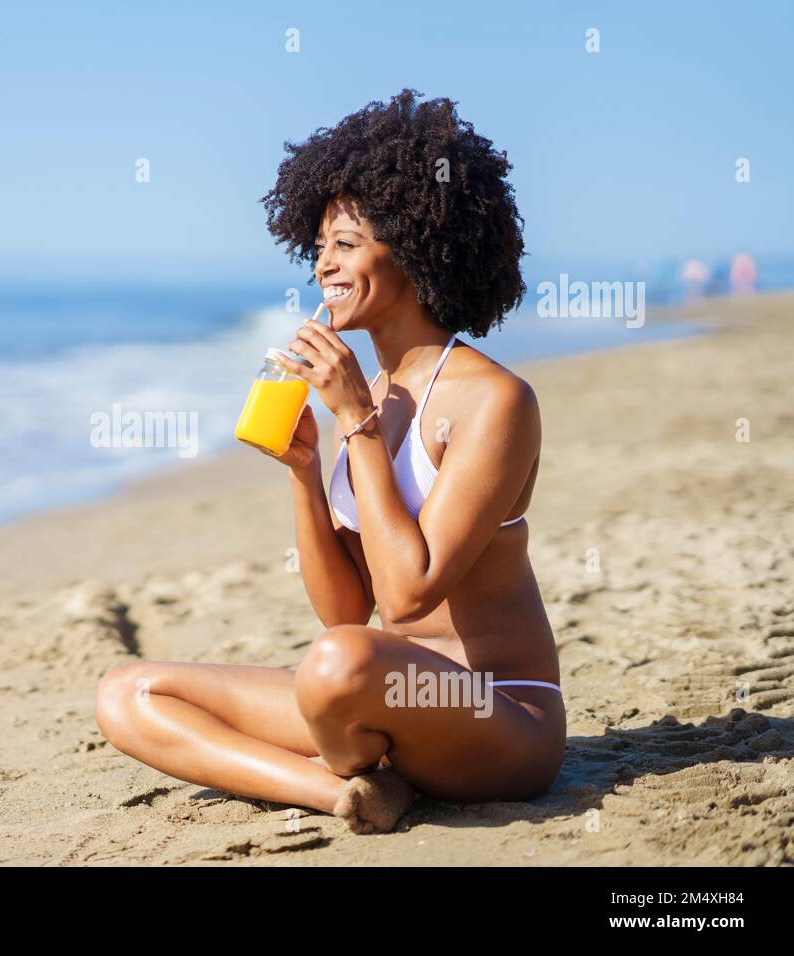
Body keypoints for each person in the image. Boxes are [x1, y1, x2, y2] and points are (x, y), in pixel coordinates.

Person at [96, 89, 564, 834]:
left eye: (346, 244)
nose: (324, 266)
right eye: (318, 247)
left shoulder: (495, 401)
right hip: (370, 691)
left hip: (495, 715)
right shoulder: (369, 397)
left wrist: (355, 421)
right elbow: (348, 606)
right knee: (129, 693)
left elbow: (407, 596)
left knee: (337, 662)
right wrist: (307, 474)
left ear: (414, 243)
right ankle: (342, 792)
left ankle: (352, 762)